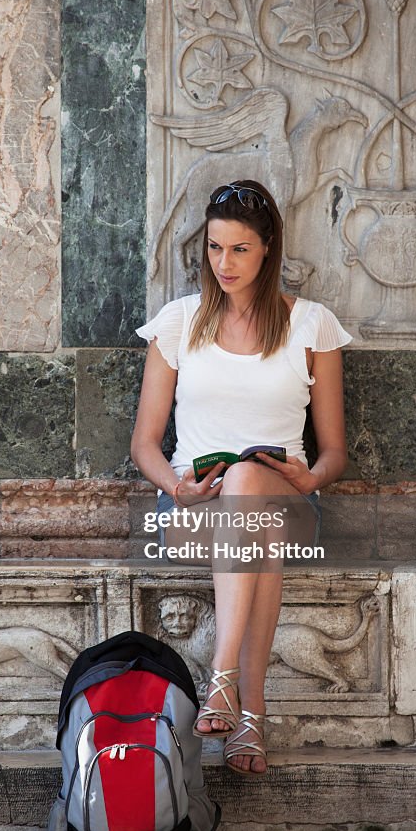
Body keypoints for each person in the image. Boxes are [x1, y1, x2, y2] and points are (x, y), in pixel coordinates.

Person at [130, 180, 351, 777]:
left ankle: (221, 678)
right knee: (247, 506)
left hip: (288, 499)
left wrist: (309, 478)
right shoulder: (179, 322)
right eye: (214, 247)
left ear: (268, 249)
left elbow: (335, 453)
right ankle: (248, 710)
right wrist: (178, 487)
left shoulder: (312, 326)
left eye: (239, 250)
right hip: (192, 507)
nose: (223, 264)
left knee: (251, 484)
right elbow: (145, 445)